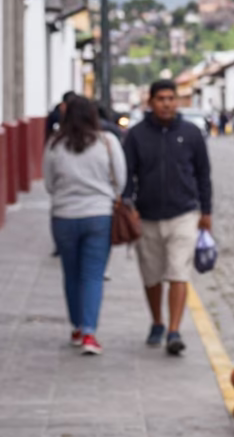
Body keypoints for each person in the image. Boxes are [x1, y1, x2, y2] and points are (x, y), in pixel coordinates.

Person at [122, 79, 213, 356]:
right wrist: (129, 206)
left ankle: (174, 330)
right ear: (150, 102)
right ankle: (157, 322)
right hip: (147, 215)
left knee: (178, 272)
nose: (166, 103)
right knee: (151, 276)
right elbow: (128, 174)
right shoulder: (136, 135)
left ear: (177, 102)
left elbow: (202, 174)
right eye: (160, 98)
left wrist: (206, 211)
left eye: (170, 98)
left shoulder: (192, 133)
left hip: (183, 213)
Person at [43, 95, 125, 356]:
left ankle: (77, 327)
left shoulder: (55, 144)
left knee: (71, 273)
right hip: (99, 215)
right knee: (92, 275)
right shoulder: (107, 142)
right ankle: (89, 332)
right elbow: (120, 180)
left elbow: (48, 184)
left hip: (64, 216)